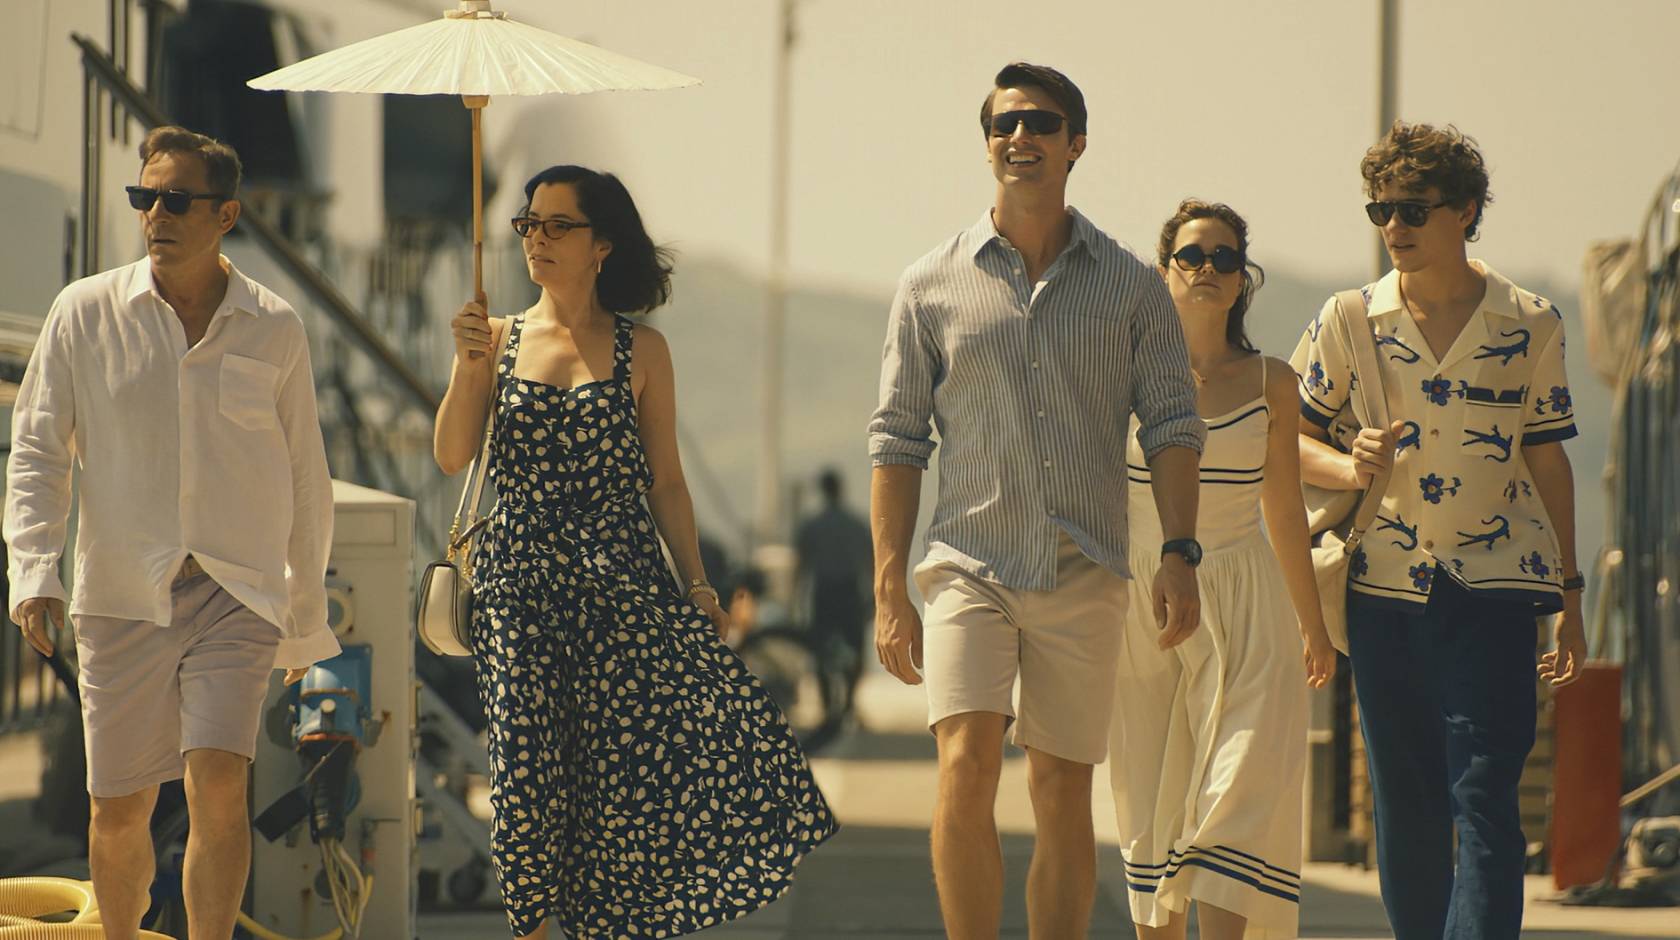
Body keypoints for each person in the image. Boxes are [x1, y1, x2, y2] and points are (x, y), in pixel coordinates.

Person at [433, 164, 837, 939]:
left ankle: (596, 927)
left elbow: (669, 485)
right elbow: (454, 456)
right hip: (518, 587)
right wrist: (467, 364)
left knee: (618, 790)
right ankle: (534, 929)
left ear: (601, 244)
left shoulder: (641, 350)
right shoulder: (497, 338)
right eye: (529, 225)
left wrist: (697, 587)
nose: (538, 240)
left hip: (622, 591)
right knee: (523, 781)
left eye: (558, 225)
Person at [868, 62, 1205, 940]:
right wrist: (887, 586)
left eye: (1041, 123)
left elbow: (1173, 423)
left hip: (1084, 565)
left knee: (1061, 789)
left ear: (1076, 144)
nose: (1020, 136)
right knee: (964, 763)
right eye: (1003, 124)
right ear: (987, 145)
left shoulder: (1132, 286)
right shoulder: (928, 284)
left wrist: (1179, 550)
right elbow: (898, 441)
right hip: (968, 564)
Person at [4, 125, 338, 938]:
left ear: (225, 215)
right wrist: (34, 570)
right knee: (119, 811)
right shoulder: (84, 312)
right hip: (120, 591)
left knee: (219, 784)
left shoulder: (275, 326)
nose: (156, 213)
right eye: (143, 197)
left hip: (236, 591)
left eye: (176, 199)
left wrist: (304, 620)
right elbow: (39, 448)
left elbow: (305, 478)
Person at [1291, 121, 1586, 940]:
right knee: (1408, 804)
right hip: (1383, 595)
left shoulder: (1530, 322)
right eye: (1380, 209)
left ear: (1465, 210)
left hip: (1495, 595)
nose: (1395, 226)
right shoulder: (1349, 320)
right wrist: (1352, 462)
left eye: (1413, 208)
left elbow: (1549, 460)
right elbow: (1291, 438)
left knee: (1486, 797)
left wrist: (1572, 595)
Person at [1110, 200, 1337, 940]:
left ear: (1244, 280)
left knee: (1233, 793)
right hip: (1143, 602)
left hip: (1247, 602)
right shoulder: (1120, 376)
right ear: (1163, 270)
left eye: (1226, 259)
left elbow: (1282, 509)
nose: (1209, 269)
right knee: (1149, 798)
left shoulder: (1273, 381)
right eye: (1193, 256)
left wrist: (1313, 625)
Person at [793, 468, 872, 711]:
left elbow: (802, 567)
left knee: (820, 650)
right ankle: (848, 700)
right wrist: (873, 597)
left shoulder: (812, 525)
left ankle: (828, 705)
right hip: (850, 591)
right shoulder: (856, 524)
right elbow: (870, 562)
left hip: (823, 592)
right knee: (856, 649)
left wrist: (797, 601)